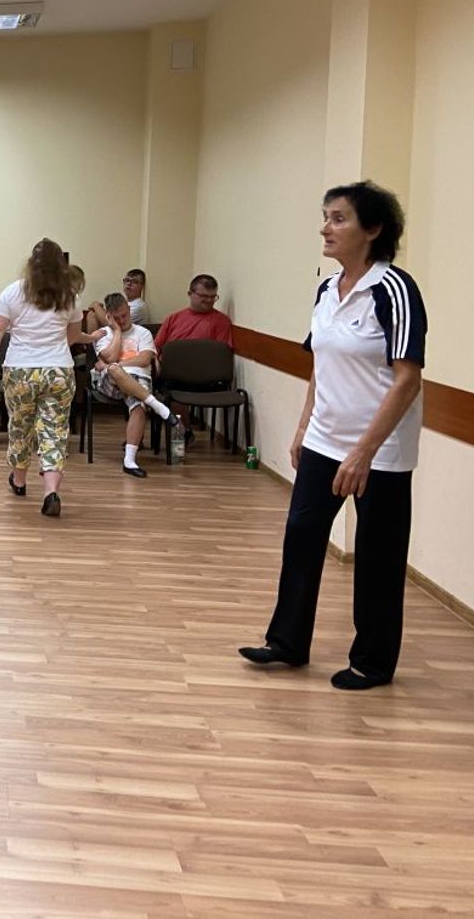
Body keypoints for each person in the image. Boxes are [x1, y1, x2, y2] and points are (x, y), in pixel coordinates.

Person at [240, 181, 426, 691]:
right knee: (302, 534)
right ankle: (287, 642)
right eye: (326, 217)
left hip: (380, 451)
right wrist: (304, 426)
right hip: (325, 439)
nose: (326, 227)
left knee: (378, 554)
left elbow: (407, 379)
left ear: (374, 229)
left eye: (339, 218)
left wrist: (364, 451)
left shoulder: (395, 290)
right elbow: (321, 364)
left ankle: (373, 661)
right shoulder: (327, 289)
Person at [0, 240, 100, 519]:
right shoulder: (70, 295)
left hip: (20, 370)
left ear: (30, 264)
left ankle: (19, 481)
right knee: (54, 431)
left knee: (20, 427)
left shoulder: (13, 291)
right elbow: (73, 336)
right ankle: (50, 492)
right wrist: (56, 348)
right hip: (59, 370)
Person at [90, 293, 183, 478]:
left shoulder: (143, 333)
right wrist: (117, 331)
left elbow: (144, 359)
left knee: (138, 405)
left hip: (139, 379)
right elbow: (110, 356)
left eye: (124, 315)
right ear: (108, 316)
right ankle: (159, 406)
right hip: (111, 382)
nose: (122, 320)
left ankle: (129, 461)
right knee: (115, 371)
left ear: (129, 309)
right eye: (116, 318)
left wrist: (112, 364)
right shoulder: (103, 334)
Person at [154, 274, 235, 348]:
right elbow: (155, 347)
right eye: (204, 296)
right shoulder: (172, 319)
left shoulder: (222, 321)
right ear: (190, 294)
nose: (209, 300)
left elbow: (220, 353)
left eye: (213, 297)